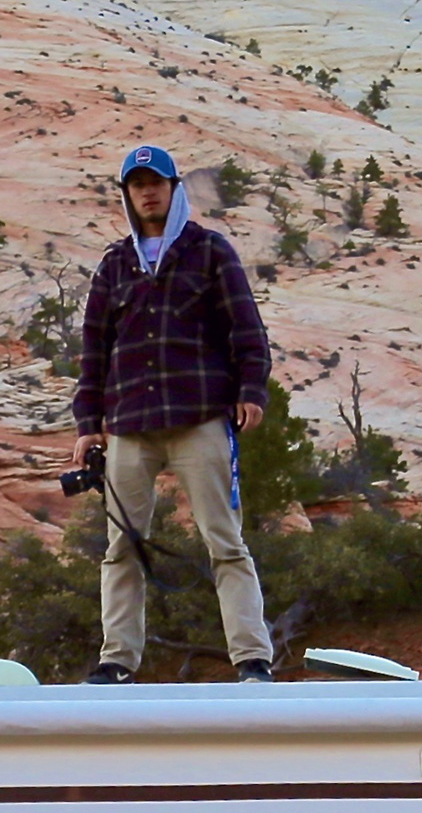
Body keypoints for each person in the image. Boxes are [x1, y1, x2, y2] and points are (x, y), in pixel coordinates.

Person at [72, 144, 275, 682]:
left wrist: (251, 390)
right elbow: (94, 351)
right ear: (127, 195)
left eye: (156, 182)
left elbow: (247, 329)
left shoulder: (210, 251)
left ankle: (252, 659)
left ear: (174, 188)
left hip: (199, 417)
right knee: (121, 547)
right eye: (137, 185)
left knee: (224, 540)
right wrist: (88, 424)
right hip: (130, 426)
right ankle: (117, 662)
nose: (148, 192)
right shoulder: (115, 264)